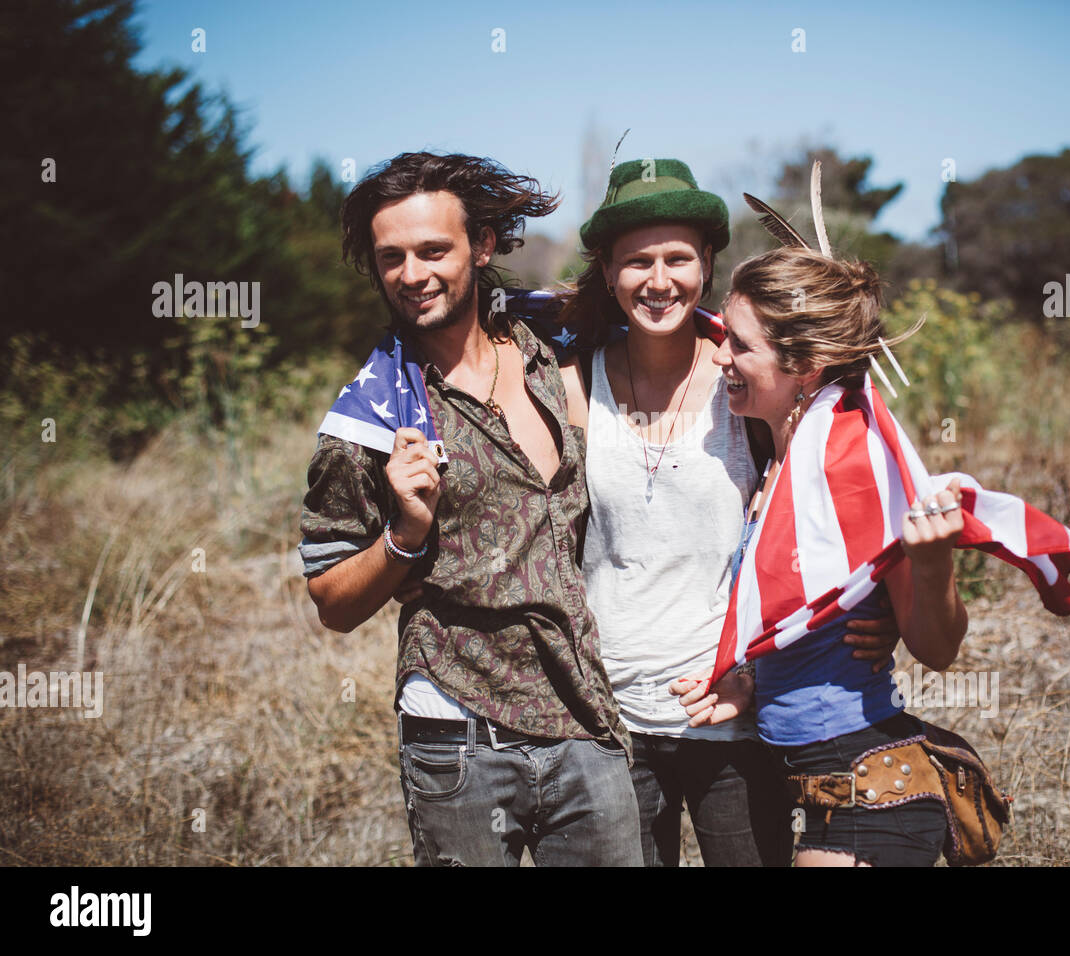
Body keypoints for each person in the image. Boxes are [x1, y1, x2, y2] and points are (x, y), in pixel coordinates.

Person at [298, 151, 640, 866]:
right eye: (391, 257)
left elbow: (668, 329)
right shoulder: (369, 420)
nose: (412, 274)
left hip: (584, 719)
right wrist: (403, 536)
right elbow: (331, 601)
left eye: (433, 250)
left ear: (482, 246)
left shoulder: (551, 352)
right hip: (459, 733)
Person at [555, 159, 901, 866]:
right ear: (608, 272)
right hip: (610, 716)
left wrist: (884, 608)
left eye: (677, 258)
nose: (658, 280)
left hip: (734, 712)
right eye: (636, 262)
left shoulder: (746, 376)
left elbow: (838, 500)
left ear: (707, 262)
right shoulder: (572, 383)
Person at [674, 244, 966, 867]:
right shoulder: (779, 457)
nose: (720, 355)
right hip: (814, 786)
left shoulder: (851, 471)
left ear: (804, 364)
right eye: (725, 336)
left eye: (741, 346)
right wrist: (753, 678)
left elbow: (938, 651)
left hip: (866, 790)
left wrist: (936, 565)